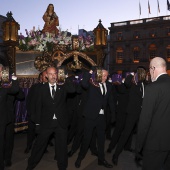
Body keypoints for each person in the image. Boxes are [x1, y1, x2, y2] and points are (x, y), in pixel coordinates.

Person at [26, 66, 75, 170]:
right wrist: (37, 124)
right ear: (46, 76)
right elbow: (38, 107)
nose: (53, 76)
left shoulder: (63, 86)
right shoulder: (41, 89)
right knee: (39, 146)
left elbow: (72, 90)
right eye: (51, 74)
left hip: (61, 123)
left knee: (62, 148)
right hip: (46, 123)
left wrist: (65, 79)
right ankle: (30, 166)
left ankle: (62, 167)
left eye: (55, 73)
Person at [75, 69, 115, 168]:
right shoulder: (92, 84)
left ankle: (101, 159)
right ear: (99, 75)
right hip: (90, 116)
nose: (105, 77)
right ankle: (80, 158)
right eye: (103, 75)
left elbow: (111, 101)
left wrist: (113, 114)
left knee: (101, 140)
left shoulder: (109, 86)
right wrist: (89, 73)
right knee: (86, 139)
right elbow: (84, 84)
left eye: (106, 76)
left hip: (102, 117)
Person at [136, 57, 170, 170]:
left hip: (154, 144)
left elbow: (145, 120)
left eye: (150, 70)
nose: (150, 74)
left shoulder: (152, 88)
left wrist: (139, 146)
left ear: (153, 68)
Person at [112, 66, 146, 166]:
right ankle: (116, 155)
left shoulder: (144, 84)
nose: (141, 74)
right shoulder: (132, 83)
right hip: (132, 113)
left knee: (141, 135)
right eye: (139, 72)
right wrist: (132, 75)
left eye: (143, 72)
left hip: (142, 113)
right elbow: (126, 83)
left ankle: (139, 156)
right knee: (126, 134)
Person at [0, 63, 19, 170]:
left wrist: (14, 78)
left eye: (1, 71)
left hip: (4, 116)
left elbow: (16, 90)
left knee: (6, 140)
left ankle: (5, 160)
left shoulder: (5, 84)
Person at [24, 70, 47, 154]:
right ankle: (28, 146)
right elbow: (29, 100)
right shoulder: (35, 87)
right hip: (33, 114)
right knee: (31, 132)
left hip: (44, 115)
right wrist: (30, 113)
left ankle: (43, 148)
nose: (42, 78)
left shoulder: (50, 87)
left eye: (44, 76)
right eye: (41, 76)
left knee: (42, 133)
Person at [4, 88, 25, 167]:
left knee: (8, 139)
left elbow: (21, 96)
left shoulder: (10, 86)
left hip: (9, 117)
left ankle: (7, 158)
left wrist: (14, 86)